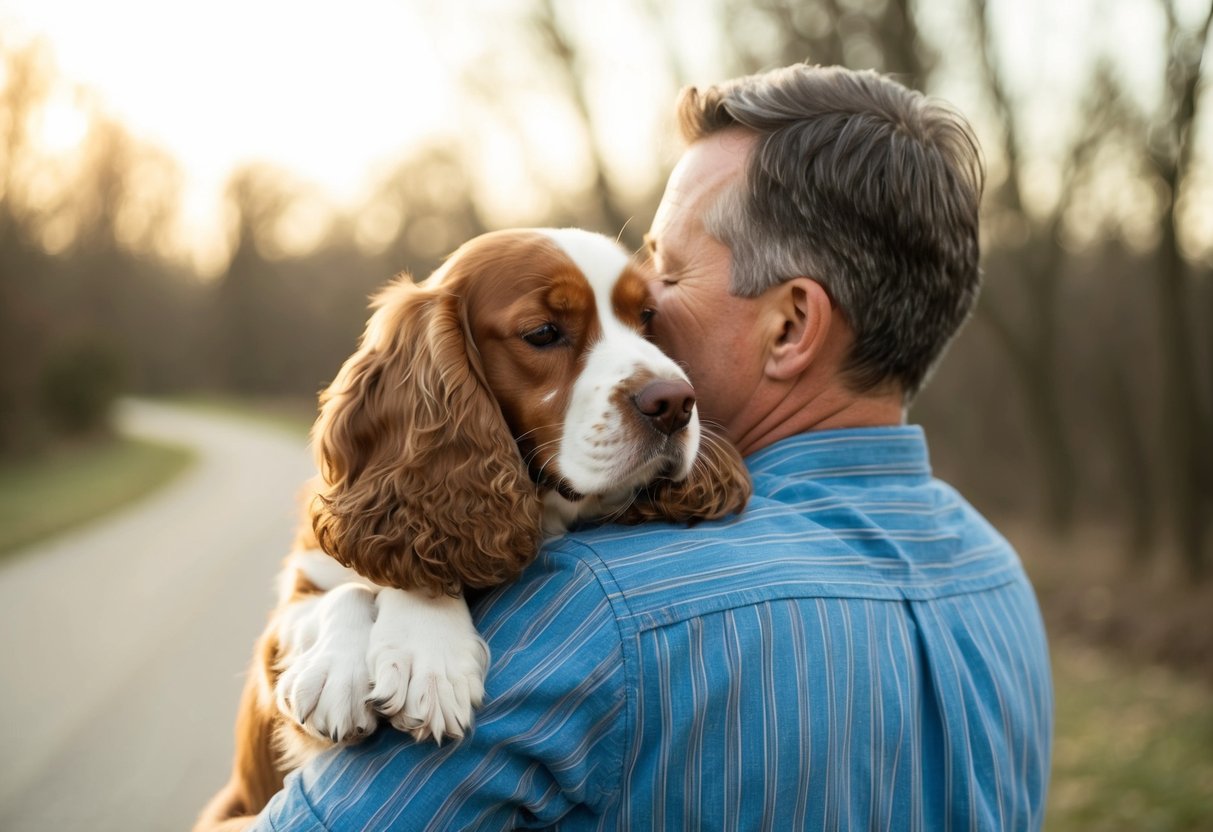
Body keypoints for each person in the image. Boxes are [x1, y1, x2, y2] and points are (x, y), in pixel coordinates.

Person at [252, 64, 1052, 831]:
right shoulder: (998, 583)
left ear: (789, 327)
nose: (644, 332)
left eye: (662, 278)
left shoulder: (599, 614)